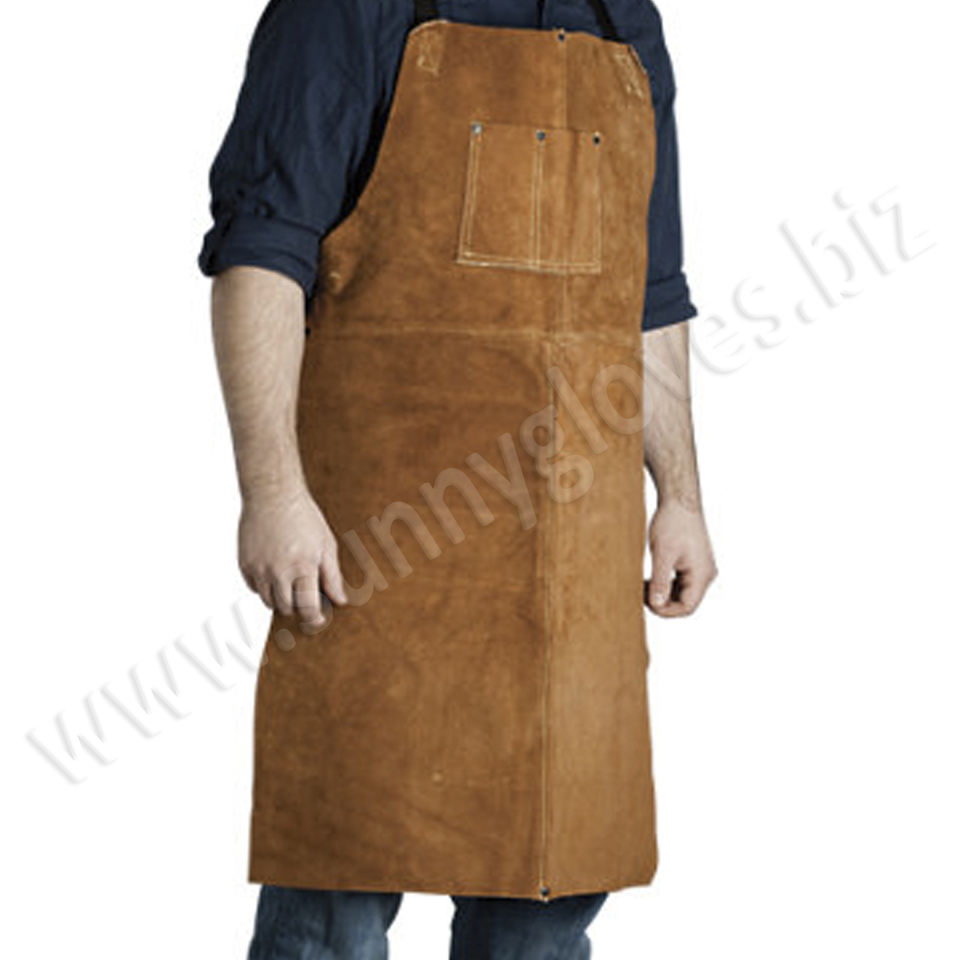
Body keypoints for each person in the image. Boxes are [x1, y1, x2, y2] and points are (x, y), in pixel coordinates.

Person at [199, 0, 717, 956]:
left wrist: (679, 495)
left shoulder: (625, 23)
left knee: (546, 914)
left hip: (575, 570)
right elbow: (260, 254)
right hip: (380, 549)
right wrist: (272, 493)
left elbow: (650, 292)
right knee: (335, 904)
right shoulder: (344, 9)